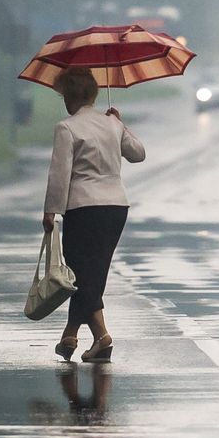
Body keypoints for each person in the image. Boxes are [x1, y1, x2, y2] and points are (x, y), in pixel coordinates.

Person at [43, 67, 145, 363]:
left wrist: (51, 210)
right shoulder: (111, 123)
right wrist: (120, 125)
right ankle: (89, 337)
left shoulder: (67, 127)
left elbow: (60, 173)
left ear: (67, 96)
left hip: (83, 208)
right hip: (116, 207)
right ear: (93, 93)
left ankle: (83, 335)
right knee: (92, 274)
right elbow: (138, 153)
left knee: (81, 276)